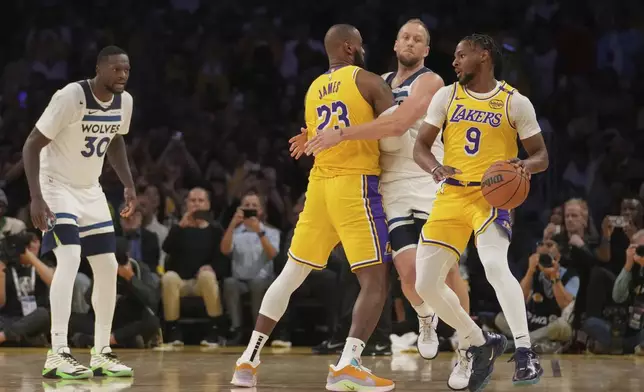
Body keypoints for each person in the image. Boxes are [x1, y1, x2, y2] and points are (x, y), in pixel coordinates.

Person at [301, 19, 472, 389]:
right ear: (395, 44)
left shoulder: (430, 82)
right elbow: (342, 117)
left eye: (419, 39)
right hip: (390, 185)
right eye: (405, 37)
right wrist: (313, 132)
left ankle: (466, 348)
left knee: (447, 271)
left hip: (428, 180)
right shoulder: (376, 81)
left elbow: (396, 127)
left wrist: (340, 134)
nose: (411, 42)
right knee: (409, 272)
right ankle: (426, 317)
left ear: (426, 50)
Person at [232, 24, 395, 391]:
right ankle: (348, 365)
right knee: (375, 278)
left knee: (290, 274)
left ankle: (247, 360)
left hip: (319, 187)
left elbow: (317, 138)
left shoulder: (313, 89)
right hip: (355, 184)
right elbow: (399, 128)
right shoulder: (368, 81)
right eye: (362, 44)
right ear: (351, 48)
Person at [412, 34, 549, 390]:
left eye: (461, 55)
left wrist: (523, 167)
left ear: (483, 56)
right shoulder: (446, 96)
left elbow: (541, 156)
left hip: (490, 198)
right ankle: (478, 341)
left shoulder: (514, 102)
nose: (454, 62)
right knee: (424, 284)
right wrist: (435, 168)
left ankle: (524, 352)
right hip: (451, 195)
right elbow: (422, 146)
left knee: (492, 264)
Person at [22, 45, 135, 379]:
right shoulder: (72, 96)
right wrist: (37, 197)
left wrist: (128, 183)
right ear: (99, 69)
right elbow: (31, 145)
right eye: (116, 70)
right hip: (56, 186)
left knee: (107, 265)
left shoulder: (124, 102)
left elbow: (115, 139)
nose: (122, 76)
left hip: (90, 190)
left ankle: (101, 352)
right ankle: (58, 352)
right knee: (69, 257)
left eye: (127, 70)